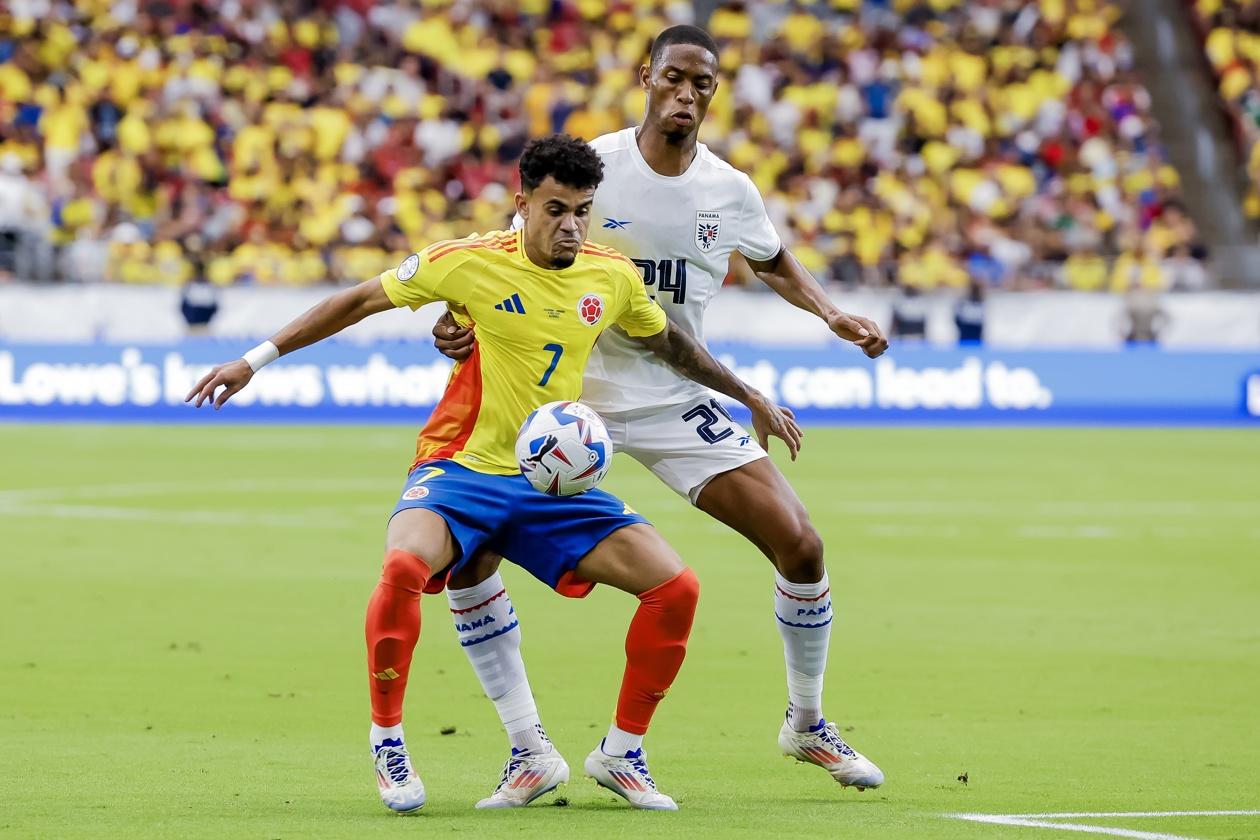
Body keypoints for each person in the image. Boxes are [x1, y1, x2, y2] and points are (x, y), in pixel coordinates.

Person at [185, 135, 800, 813]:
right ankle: (388, 739)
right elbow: (361, 300)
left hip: (550, 481)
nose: (570, 225)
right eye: (556, 209)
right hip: (462, 468)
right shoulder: (467, 262)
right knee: (401, 571)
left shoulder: (612, 275)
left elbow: (674, 346)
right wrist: (255, 359)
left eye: (583, 212)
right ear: (523, 204)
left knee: (676, 588)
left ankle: (620, 752)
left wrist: (750, 397)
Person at [431, 25, 889, 807]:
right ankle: (527, 748)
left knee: (801, 543)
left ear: (714, 93)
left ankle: (804, 723)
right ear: (646, 77)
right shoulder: (594, 170)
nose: (685, 94)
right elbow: (511, 254)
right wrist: (457, 324)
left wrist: (830, 311)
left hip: (677, 397)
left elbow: (773, 260)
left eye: (701, 84)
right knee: (469, 558)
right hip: (565, 403)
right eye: (673, 78)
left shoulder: (729, 190)